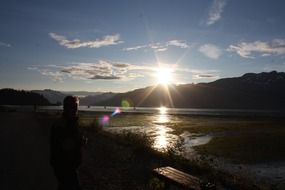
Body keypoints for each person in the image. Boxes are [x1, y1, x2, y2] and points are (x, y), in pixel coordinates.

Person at [50, 96, 86, 190]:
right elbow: (66, 145)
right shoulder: (61, 125)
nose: (74, 110)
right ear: (65, 108)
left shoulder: (71, 122)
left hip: (70, 165)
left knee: (63, 186)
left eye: (76, 107)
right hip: (64, 166)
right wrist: (81, 142)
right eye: (72, 107)